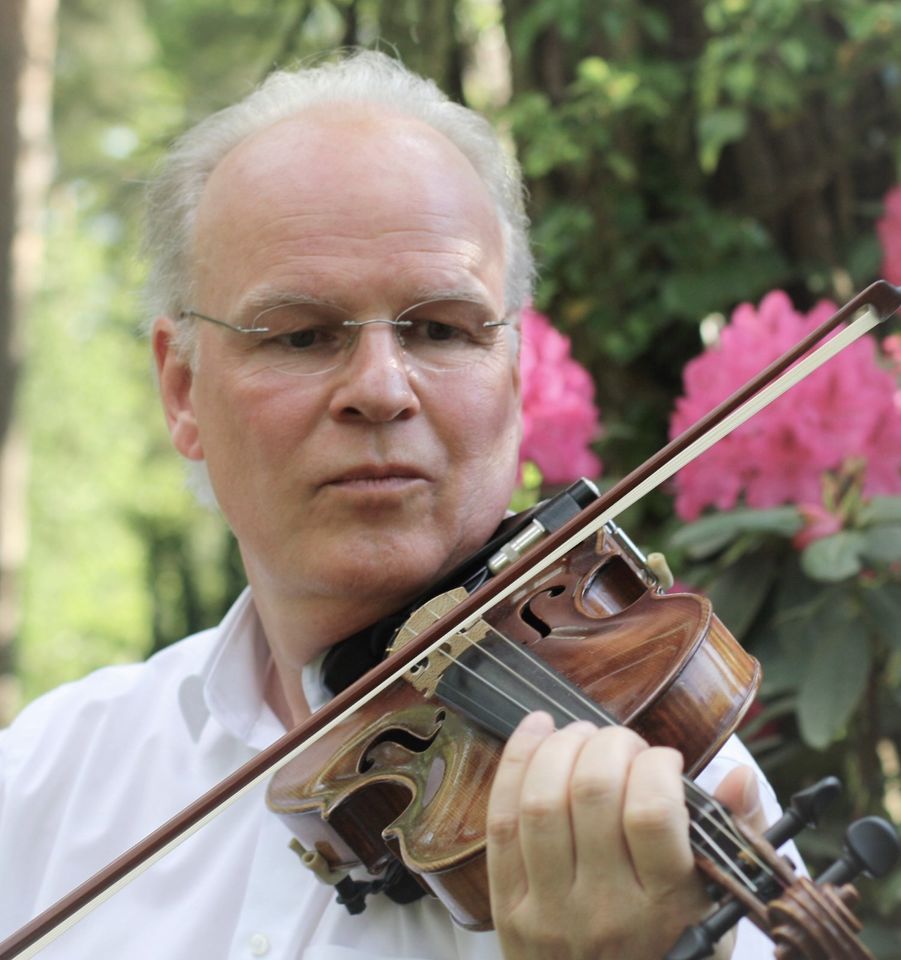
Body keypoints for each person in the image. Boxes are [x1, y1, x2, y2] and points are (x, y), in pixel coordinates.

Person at [0, 51, 789, 960]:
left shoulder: (664, 802)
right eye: (299, 335)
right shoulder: (43, 783)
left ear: (515, 374)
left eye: (440, 330)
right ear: (183, 391)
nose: (379, 388)